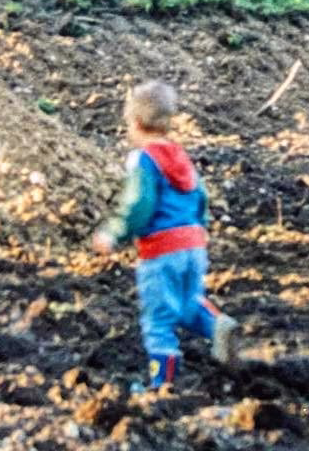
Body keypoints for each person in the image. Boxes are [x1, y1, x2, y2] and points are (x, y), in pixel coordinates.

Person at [92, 80, 239, 389]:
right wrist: (199, 229)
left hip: (162, 251)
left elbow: (139, 203)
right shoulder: (179, 155)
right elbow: (200, 195)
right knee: (187, 303)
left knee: (158, 319)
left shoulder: (144, 159)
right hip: (194, 245)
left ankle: (161, 387)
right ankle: (217, 325)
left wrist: (113, 233)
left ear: (135, 123)